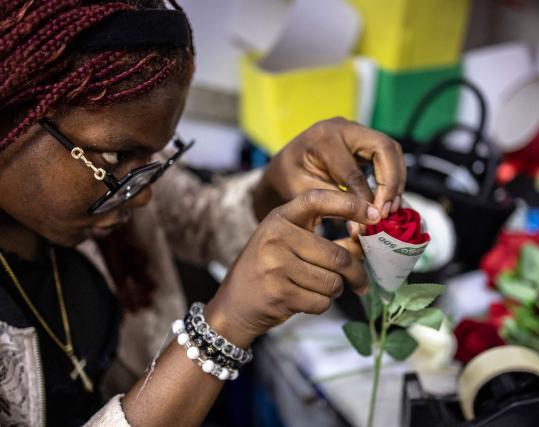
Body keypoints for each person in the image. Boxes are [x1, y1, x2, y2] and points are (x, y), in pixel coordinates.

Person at [0, 1, 406, 425]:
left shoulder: (113, 185)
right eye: (117, 155)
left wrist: (275, 182)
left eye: (154, 155)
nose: (142, 198)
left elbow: (199, 217)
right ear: (12, 110)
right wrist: (217, 331)